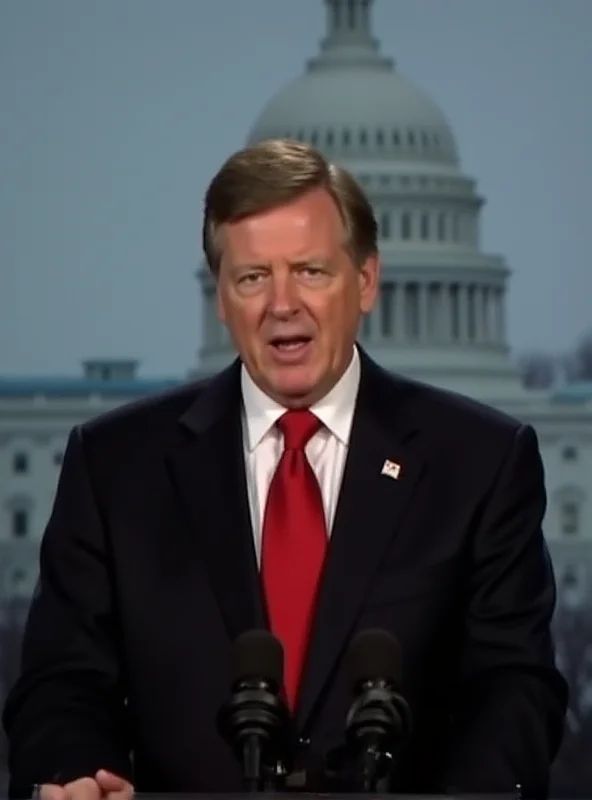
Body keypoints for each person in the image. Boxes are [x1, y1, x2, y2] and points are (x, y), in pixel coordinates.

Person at [3, 139, 567, 799]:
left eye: (309, 271)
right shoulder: (117, 466)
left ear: (365, 280)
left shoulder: (480, 462)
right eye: (252, 277)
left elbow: (514, 688)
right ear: (221, 296)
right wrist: (76, 774)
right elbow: (60, 684)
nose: (282, 304)